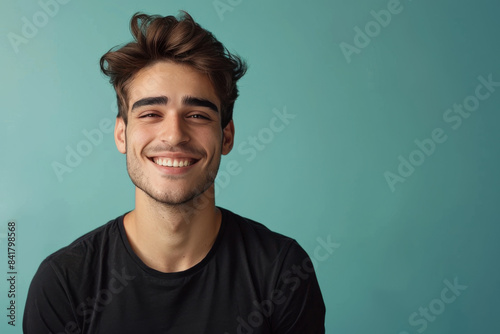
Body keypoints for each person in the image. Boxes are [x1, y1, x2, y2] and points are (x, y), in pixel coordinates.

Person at [23, 11, 325, 333]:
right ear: (121, 134)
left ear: (227, 136)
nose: (174, 135)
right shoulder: (64, 283)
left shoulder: (282, 272)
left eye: (197, 115)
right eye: (152, 113)